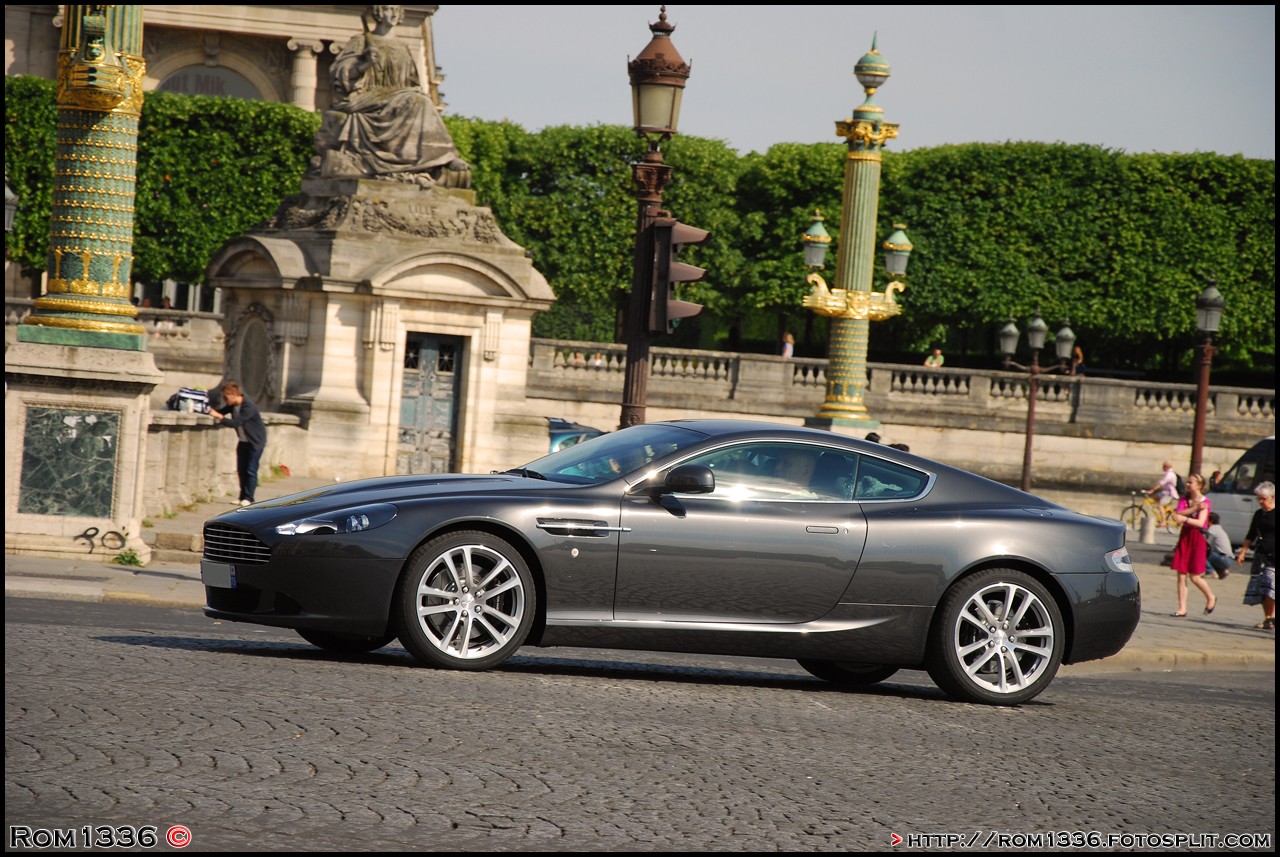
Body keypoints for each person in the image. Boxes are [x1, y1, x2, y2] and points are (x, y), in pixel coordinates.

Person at [313, 5, 469, 186]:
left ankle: (439, 158)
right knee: (420, 101)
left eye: (397, 10)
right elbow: (340, 73)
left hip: (396, 98)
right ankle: (445, 157)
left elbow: (411, 82)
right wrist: (364, 65)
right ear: (378, 13)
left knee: (420, 99)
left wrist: (409, 91)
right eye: (389, 9)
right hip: (367, 97)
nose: (393, 14)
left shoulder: (402, 47)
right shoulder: (361, 41)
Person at [208, 381, 267, 506]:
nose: (225, 400)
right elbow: (220, 412)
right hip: (243, 441)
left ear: (234, 395)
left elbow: (236, 423)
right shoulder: (233, 405)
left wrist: (218, 417)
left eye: (226, 397)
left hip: (254, 442)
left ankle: (249, 498)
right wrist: (208, 411)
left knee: (251, 470)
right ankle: (241, 497)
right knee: (241, 469)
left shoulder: (248, 406)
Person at [1169, 473, 1216, 617]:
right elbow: (1177, 515)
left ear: (1199, 485)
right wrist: (1194, 510)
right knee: (1181, 574)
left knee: (1195, 576)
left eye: (1191, 482)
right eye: (1188, 482)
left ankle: (1211, 597)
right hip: (1185, 537)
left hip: (1197, 538)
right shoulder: (1184, 500)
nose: (1188, 485)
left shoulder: (1205, 501)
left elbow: (1200, 523)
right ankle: (1182, 608)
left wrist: (1185, 518)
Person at [1236, 481, 1275, 631]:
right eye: (1258, 498)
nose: (1260, 501)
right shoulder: (1259, 514)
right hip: (1262, 553)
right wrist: (1243, 551)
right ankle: (1268, 619)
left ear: (1272, 497)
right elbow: (1251, 533)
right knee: (1263, 587)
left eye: (1263, 499)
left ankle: (1272, 617)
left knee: (1272, 584)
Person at [1203, 512, 1234, 579]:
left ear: (1210, 521)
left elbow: (1205, 544)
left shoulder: (1212, 529)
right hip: (1229, 558)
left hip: (1223, 559)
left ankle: (1210, 572)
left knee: (1201, 553)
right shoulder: (1219, 528)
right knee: (1211, 554)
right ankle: (1223, 571)